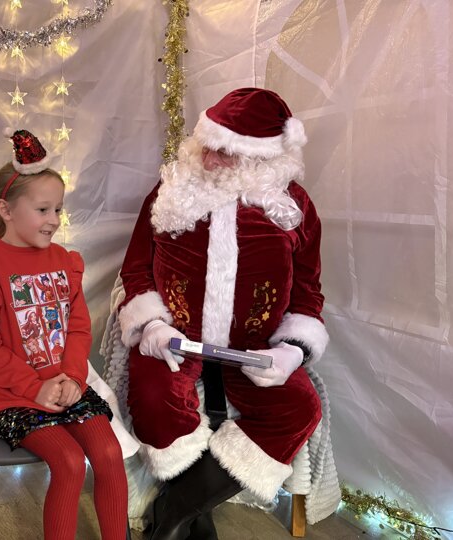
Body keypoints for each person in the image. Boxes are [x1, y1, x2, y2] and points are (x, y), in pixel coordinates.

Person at [118, 88, 329, 540]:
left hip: (255, 347)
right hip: (176, 339)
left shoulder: (294, 207)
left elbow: (308, 291)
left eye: (227, 151)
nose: (211, 158)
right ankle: (189, 511)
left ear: (263, 158)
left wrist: (293, 350)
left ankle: (177, 510)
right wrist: (152, 322)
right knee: (154, 399)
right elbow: (136, 268)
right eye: (208, 145)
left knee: (299, 409)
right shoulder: (170, 189)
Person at [0, 129, 129, 540]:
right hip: (14, 394)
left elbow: (78, 327)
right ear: (6, 210)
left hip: (66, 384)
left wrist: (73, 378)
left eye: (58, 210)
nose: (54, 220)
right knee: (68, 462)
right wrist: (35, 388)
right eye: (43, 209)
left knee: (108, 451)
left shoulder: (65, 261)